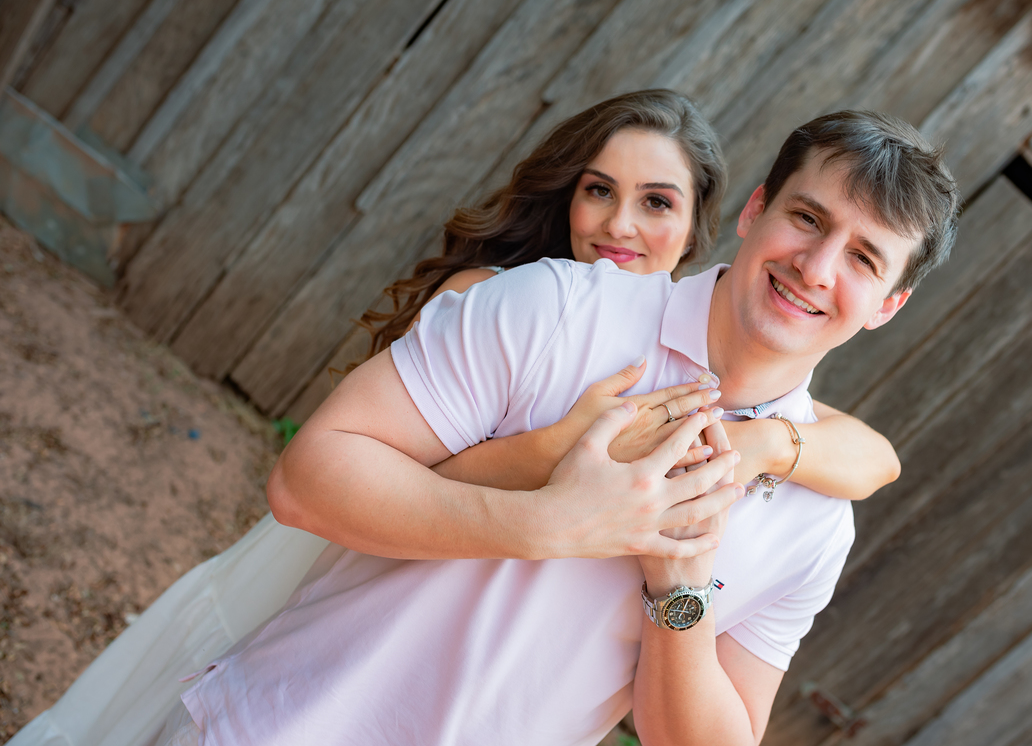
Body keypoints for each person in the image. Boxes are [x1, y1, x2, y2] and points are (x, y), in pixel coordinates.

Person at [10, 91, 899, 746]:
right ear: (753, 213)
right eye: (807, 219)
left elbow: (869, 459)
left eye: (862, 256)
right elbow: (324, 478)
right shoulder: (530, 302)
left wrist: (689, 570)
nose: (818, 267)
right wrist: (555, 490)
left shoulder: (810, 494)